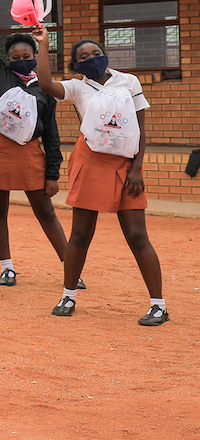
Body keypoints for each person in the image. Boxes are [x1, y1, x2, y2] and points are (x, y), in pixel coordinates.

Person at [33, 28, 167, 326]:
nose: (91, 59)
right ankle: (69, 295)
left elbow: (140, 129)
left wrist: (137, 168)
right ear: (76, 65)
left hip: (126, 165)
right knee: (81, 234)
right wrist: (43, 44)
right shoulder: (78, 87)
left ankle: (158, 305)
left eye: (95, 53)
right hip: (91, 161)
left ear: (105, 55)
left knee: (136, 235)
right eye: (83, 57)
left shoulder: (128, 81)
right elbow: (44, 83)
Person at [0, 0, 81, 289]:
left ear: (36, 56)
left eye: (27, 55)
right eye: (15, 56)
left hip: (31, 155)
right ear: (7, 59)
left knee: (46, 212)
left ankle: (71, 267)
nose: (20, 60)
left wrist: (52, 172)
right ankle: (7, 267)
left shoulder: (45, 87)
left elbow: (51, 133)